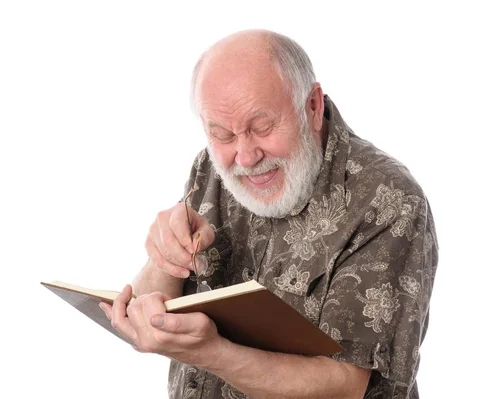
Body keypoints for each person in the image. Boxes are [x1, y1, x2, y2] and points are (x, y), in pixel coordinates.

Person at [100, 29, 438, 399]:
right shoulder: (211, 168)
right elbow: (151, 314)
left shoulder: (386, 198)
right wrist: (164, 260)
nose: (245, 158)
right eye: (223, 135)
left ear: (312, 106)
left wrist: (211, 353)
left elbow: (343, 388)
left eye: (261, 128)